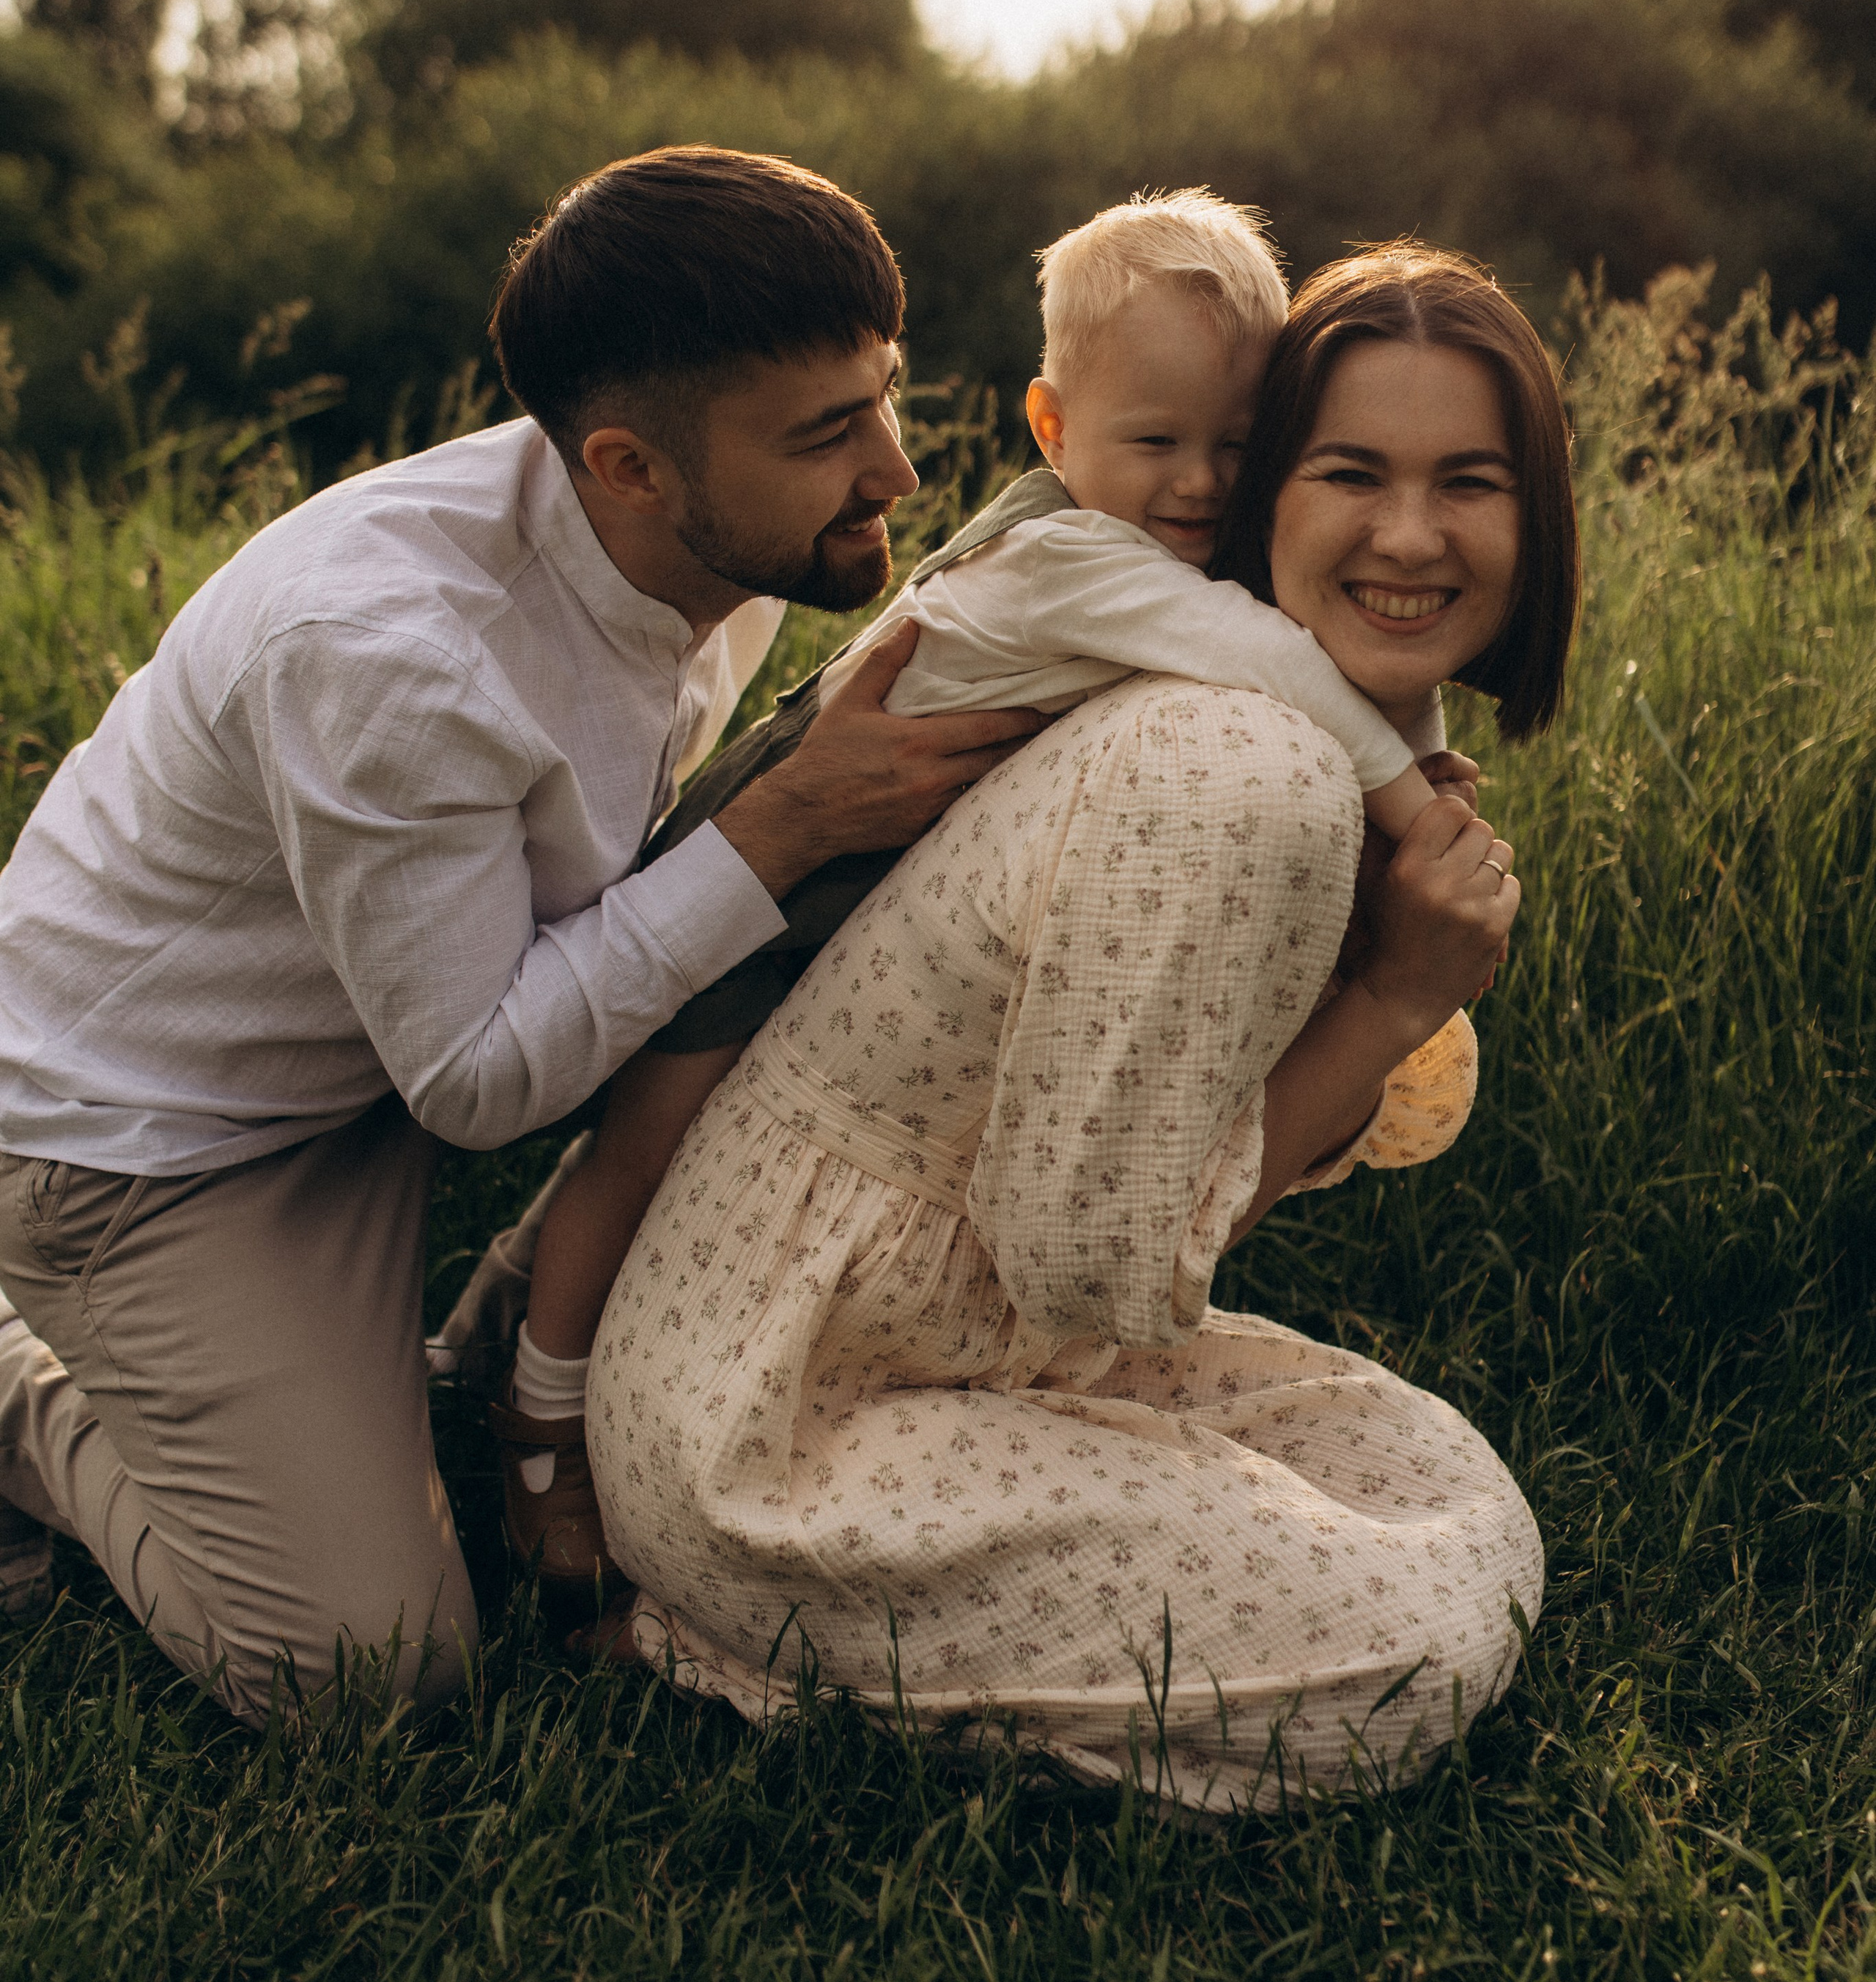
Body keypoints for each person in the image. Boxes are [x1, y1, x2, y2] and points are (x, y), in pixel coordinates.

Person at [0, 145, 1044, 1716]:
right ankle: (24, 1392)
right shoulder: (390, 656)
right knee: (366, 1670)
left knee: (807, 934)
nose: (892, 471)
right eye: (829, 434)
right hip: (141, 1148)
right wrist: (782, 827)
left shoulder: (734, 540)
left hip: (369, 1048)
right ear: (626, 465)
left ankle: (486, 1371)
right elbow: (476, 1085)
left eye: (885, 396)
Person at [584, 244, 1579, 1810]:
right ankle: (709, 1625)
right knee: (1413, 1645)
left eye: (1469, 479)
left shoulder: (1254, 704)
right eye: (1348, 472)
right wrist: (1394, 994)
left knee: (1457, 1504)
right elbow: (1089, 1282)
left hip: (972, 1356)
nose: (1408, 533)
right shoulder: (1237, 766)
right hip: (787, 1420)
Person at [495, 190, 1472, 1589]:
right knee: (643, 1144)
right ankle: (535, 1412)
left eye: (1237, 446)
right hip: (777, 881)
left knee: (674, 1142)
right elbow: (1278, 661)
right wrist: (1407, 796)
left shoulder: (1149, 544)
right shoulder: (1074, 560)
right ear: (1053, 428)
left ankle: (512, 1346)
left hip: (880, 878)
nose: (1199, 482)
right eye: (1156, 443)